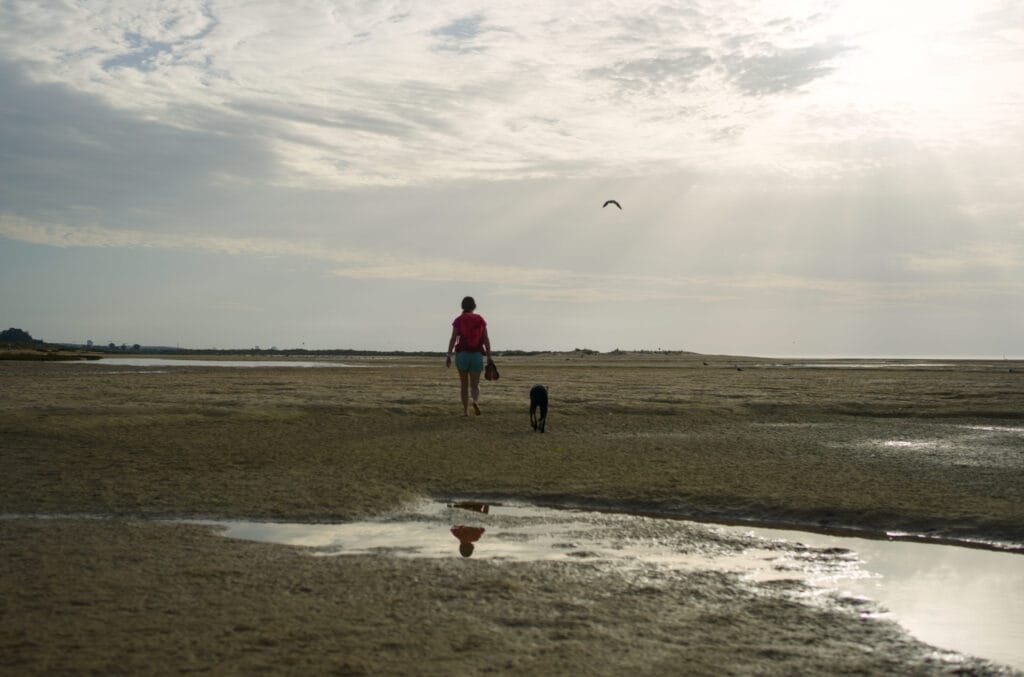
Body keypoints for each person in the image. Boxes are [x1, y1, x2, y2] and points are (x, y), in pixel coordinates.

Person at [445, 296, 494, 416]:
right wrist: (489, 355)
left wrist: (449, 355)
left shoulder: (459, 320)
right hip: (477, 354)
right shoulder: (480, 319)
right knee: (475, 384)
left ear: (462, 306)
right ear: (474, 306)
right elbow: (485, 338)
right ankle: (475, 401)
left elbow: (453, 338)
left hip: (462, 354)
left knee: (464, 384)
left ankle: (465, 411)